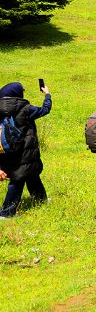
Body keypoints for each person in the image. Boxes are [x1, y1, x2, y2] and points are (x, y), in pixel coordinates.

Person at [0, 82, 52, 218]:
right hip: (24, 151)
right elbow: (45, 109)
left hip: (6, 151)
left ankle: (41, 199)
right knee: (18, 179)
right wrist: (47, 94)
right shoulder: (24, 108)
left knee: (32, 173)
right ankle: (6, 213)